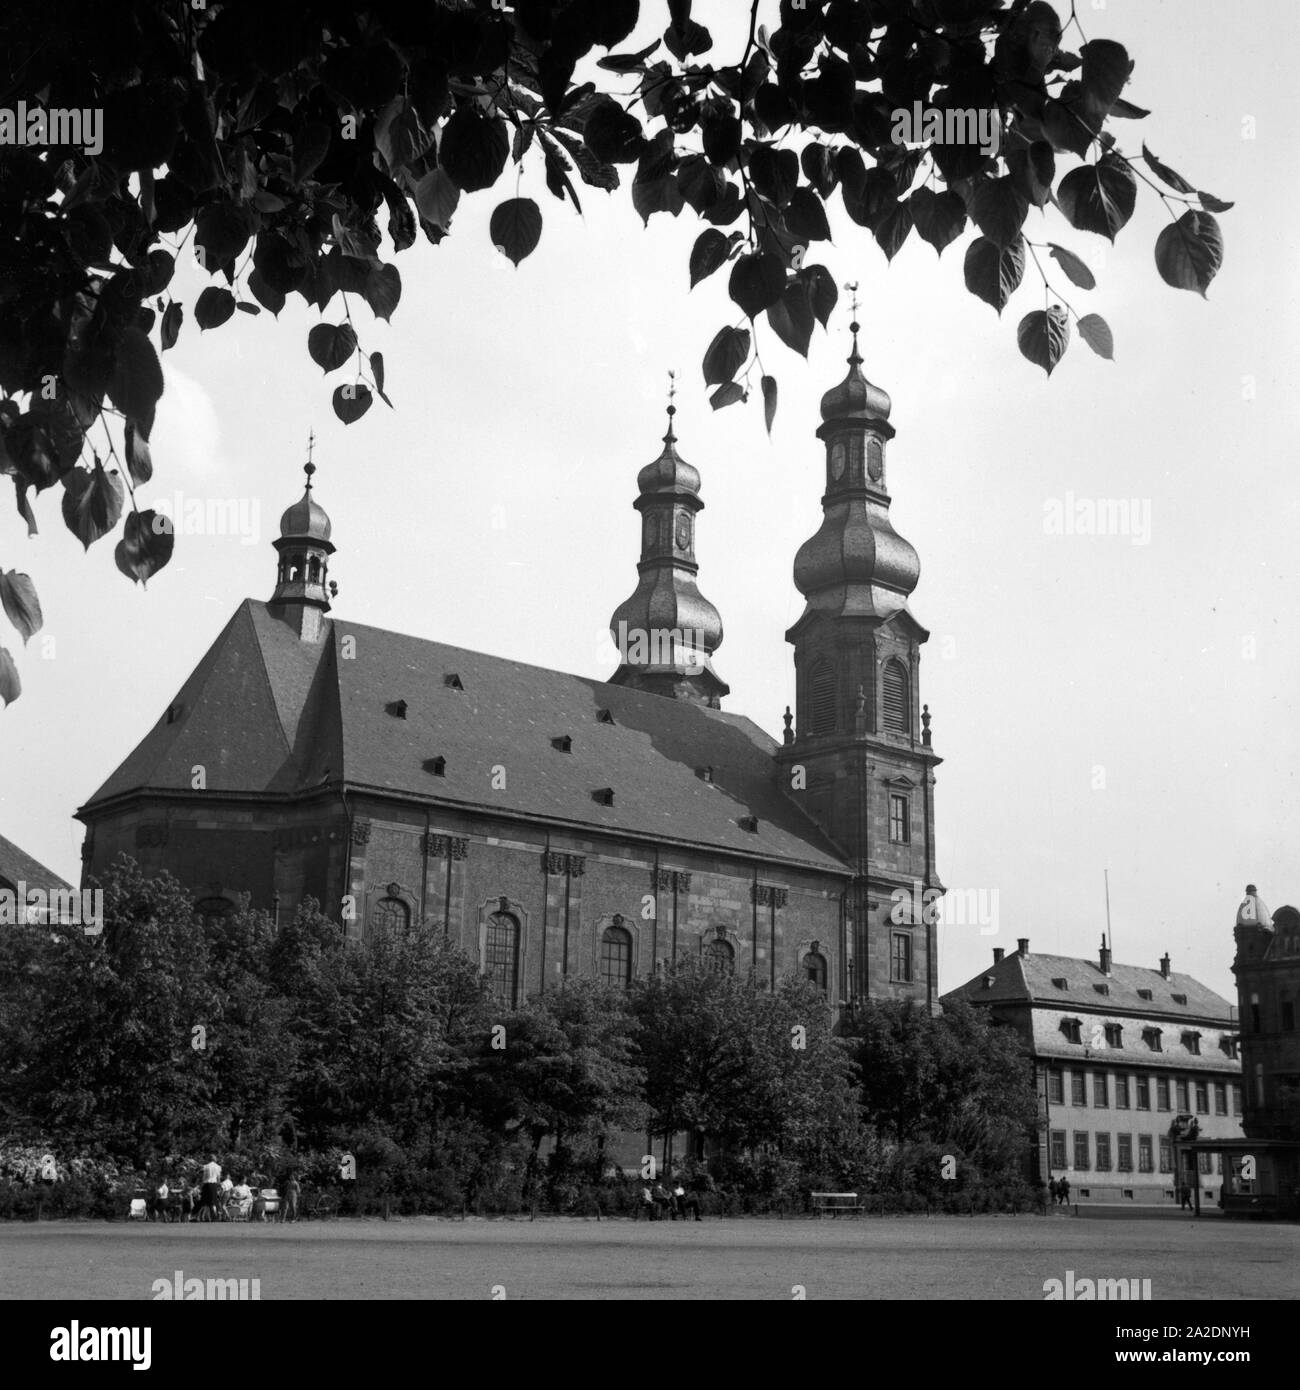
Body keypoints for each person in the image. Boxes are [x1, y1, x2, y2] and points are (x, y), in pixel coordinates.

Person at [199, 1155, 222, 1222]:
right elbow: (218, 1178)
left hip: (206, 1184)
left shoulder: (205, 1166)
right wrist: (218, 1186)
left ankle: (201, 1217)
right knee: (213, 1202)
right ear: (214, 1159)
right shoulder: (218, 1167)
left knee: (205, 1202)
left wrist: (201, 1186)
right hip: (213, 1184)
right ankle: (214, 1217)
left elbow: (204, 1178)